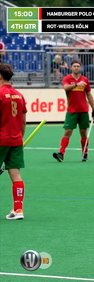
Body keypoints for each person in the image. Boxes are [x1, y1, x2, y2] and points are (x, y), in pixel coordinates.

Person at [52, 60, 94, 162]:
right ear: (71, 68)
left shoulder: (85, 80)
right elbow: (66, 88)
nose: (76, 68)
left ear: (80, 68)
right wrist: (76, 84)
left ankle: (85, 152)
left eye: (78, 66)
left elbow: (89, 94)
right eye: (74, 66)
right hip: (72, 111)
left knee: (83, 133)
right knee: (67, 132)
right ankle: (61, 153)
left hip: (83, 111)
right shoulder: (67, 78)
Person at [0, 63, 27, 220]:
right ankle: (18, 210)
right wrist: (20, 137)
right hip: (16, 139)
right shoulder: (19, 95)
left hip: (1, 138)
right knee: (15, 174)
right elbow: (23, 121)